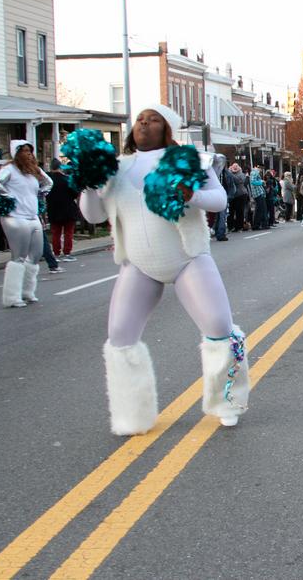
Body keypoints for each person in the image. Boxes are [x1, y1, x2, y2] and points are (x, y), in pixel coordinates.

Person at [79, 104, 249, 434]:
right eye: (140, 119)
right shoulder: (115, 168)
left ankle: (227, 401)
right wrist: (88, 185)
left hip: (188, 259)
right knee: (120, 336)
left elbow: (219, 199)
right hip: (138, 264)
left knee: (218, 325)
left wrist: (192, 195)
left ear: (167, 128)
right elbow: (93, 216)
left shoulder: (190, 160)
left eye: (153, 119)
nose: (144, 124)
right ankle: (131, 415)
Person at [0, 140, 53, 307]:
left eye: (30, 151)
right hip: (15, 217)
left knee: (36, 254)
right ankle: (12, 296)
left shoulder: (33, 171)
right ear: (17, 153)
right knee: (18, 256)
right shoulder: (9, 170)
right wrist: (9, 196)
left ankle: (27, 291)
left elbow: (48, 182)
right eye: (24, 151)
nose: (28, 154)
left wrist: (41, 193)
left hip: (32, 216)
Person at [46, 158, 80, 260]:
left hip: (53, 210)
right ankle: (67, 253)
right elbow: (75, 193)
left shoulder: (48, 181)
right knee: (68, 233)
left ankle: (56, 253)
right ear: (60, 167)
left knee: (56, 233)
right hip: (68, 209)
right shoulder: (67, 180)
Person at [212, 154, 231, 241]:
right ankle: (220, 233)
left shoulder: (214, 172)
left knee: (218, 215)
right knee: (222, 215)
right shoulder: (223, 172)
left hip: (216, 195)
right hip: (220, 194)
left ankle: (218, 231)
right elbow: (229, 183)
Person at [227, 163, 248, 232]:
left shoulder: (241, 174)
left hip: (241, 194)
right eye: (233, 166)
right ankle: (231, 227)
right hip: (231, 195)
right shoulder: (228, 173)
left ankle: (239, 227)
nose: (235, 168)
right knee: (231, 212)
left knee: (239, 211)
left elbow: (239, 180)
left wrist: (230, 174)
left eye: (236, 166)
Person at [249, 166, 267, 230]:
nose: (261, 170)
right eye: (261, 169)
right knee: (259, 210)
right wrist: (261, 182)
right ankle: (256, 225)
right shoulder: (254, 172)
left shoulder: (254, 172)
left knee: (260, 210)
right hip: (258, 193)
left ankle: (260, 224)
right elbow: (253, 182)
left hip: (259, 193)